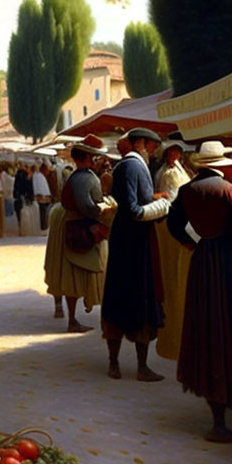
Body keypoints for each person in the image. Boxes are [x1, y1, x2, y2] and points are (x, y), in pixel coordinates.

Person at [166, 141, 232, 443]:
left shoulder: (188, 190)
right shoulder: (225, 188)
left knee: (209, 331)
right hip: (230, 261)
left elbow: (173, 223)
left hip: (204, 260)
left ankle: (218, 416)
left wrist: (192, 243)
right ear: (221, 164)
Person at [102, 127, 171, 382]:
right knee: (139, 295)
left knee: (119, 294)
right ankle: (138, 367)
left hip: (127, 238)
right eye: (152, 146)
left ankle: (115, 364)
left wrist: (154, 198)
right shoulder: (132, 166)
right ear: (140, 143)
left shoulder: (131, 165)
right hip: (135, 240)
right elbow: (133, 209)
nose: (154, 151)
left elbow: (136, 200)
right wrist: (161, 205)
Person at [45, 134, 115, 332]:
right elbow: (87, 207)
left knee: (72, 276)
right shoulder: (85, 178)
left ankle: (73, 318)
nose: (96, 161)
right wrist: (105, 208)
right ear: (86, 158)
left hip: (73, 224)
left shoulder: (80, 176)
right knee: (74, 275)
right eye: (93, 158)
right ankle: (73, 320)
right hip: (80, 228)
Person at [152, 139, 194, 362]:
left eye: (178, 151)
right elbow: (170, 195)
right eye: (172, 152)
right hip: (170, 221)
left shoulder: (180, 170)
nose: (175, 155)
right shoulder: (166, 172)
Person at [15, 166, 41, 236]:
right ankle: (26, 230)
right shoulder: (27, 178)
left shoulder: (19, 176)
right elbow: (30, 189)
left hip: (20, 198)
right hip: (25, 198)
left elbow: (17, 189)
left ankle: (22, 230)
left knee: (21, 215)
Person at [33, 163, 53, 231]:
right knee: (43, 213)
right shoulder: (38, 176)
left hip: (43, 197)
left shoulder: (39, 176)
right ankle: (44, 226)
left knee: (44, 212)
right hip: (42, 197)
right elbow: (39, 187)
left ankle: (44, 226)